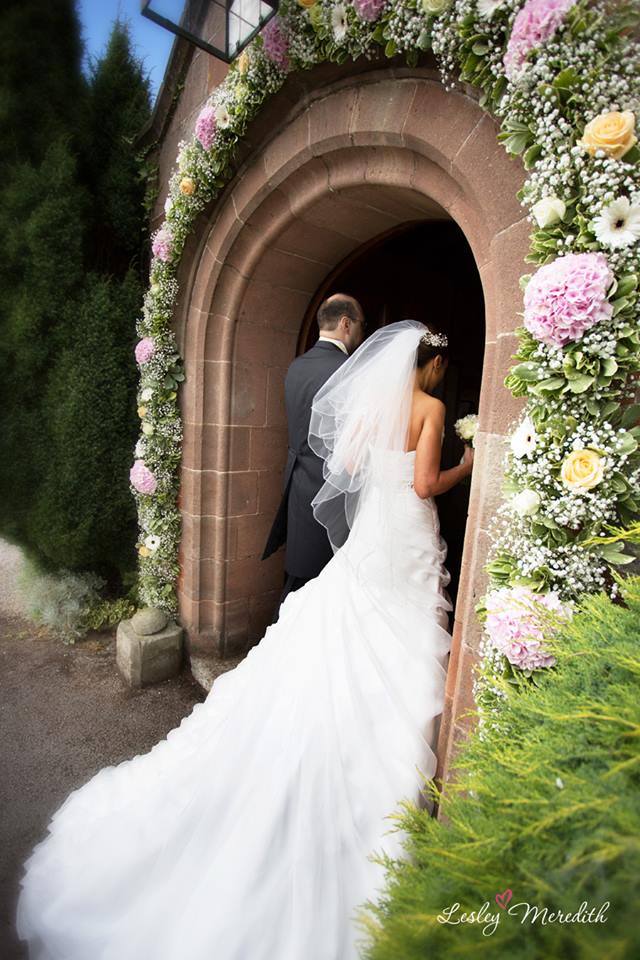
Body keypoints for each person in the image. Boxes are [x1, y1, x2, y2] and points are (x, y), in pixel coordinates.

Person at [15, 320, 474, 960]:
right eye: (439, 369)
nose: (436, 378)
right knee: (400, 633)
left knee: (339, 621)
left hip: (374, 535)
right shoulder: (428, 409)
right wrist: (466, 465)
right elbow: (425, 486)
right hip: (406, 537)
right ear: (431, 366)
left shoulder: (377, 405)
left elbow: (343, 467)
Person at [262, 292, 365, 617]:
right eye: (361, 323)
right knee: (323, 585)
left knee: (298, 577)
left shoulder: (297, 367)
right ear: (346, 323)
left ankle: (285, 641)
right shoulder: (350, 371)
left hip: (296, 483)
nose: (362, 331)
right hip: (332, 491)